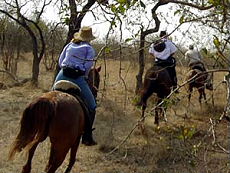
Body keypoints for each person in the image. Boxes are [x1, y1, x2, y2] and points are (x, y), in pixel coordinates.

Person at [54, 26, 97, 146]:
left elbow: (60, 60)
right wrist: (85, 76)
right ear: (89, 38)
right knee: (92, 106)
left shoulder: (69, 45)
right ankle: (87, 136)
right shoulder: (89, 49)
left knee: (50, 97)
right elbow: (88, 67)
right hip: (77, 77)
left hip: (63, 73)